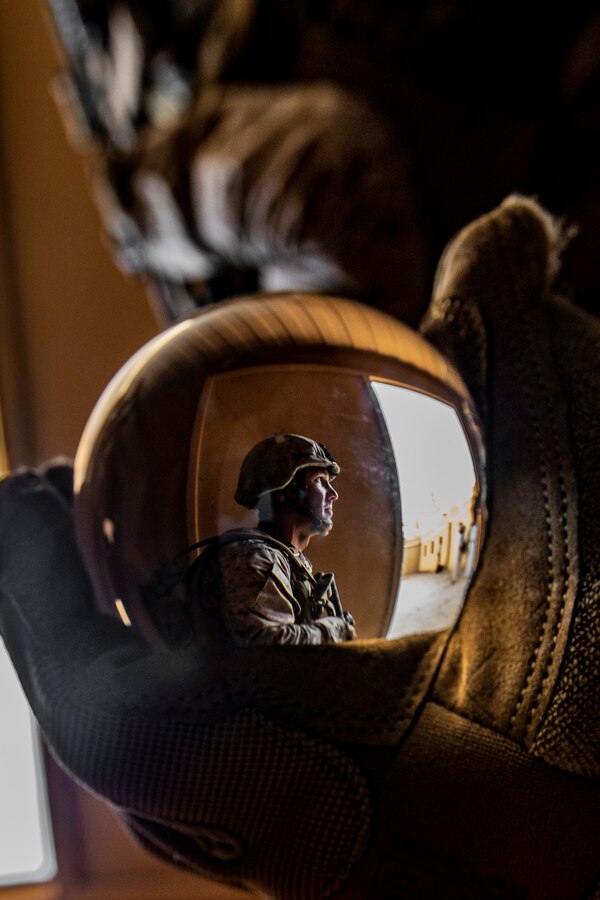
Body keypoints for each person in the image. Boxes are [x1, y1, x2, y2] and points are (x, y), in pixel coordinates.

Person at [187, 433, 356, 645]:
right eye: (319, 481)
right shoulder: (255, 557)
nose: (333, 494)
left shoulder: (285, 558)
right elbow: (267, 651)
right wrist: (333, 630)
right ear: (284, 492)